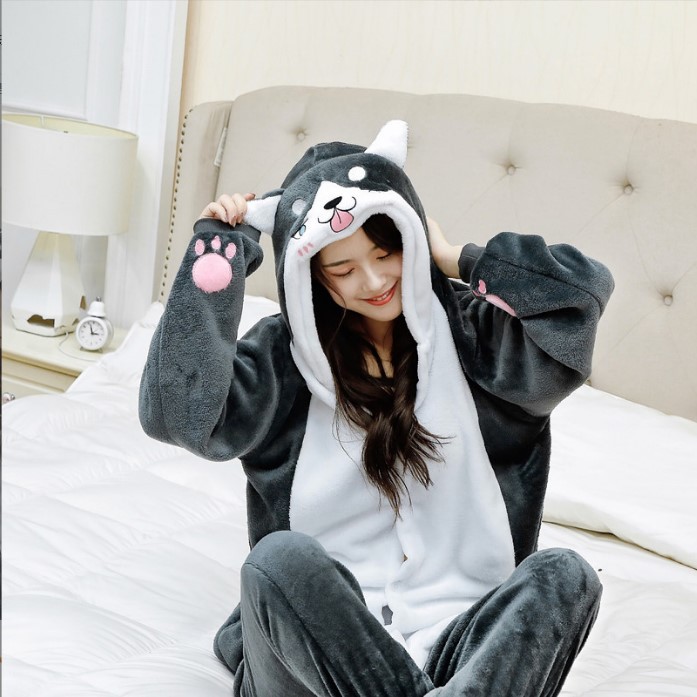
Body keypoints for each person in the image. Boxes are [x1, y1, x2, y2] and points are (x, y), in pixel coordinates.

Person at [140, 121, 613, 697]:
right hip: (319, 656)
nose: (372, 280)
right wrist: (218, 262)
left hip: (460, 645)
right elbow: (177, 412)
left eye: (387, 253)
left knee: (566, 575)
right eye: (342, 270)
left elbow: (576, 301)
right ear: (312, 276)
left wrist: (458, 258)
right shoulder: (281, 360)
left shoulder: (481, 342)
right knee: (279, 562)